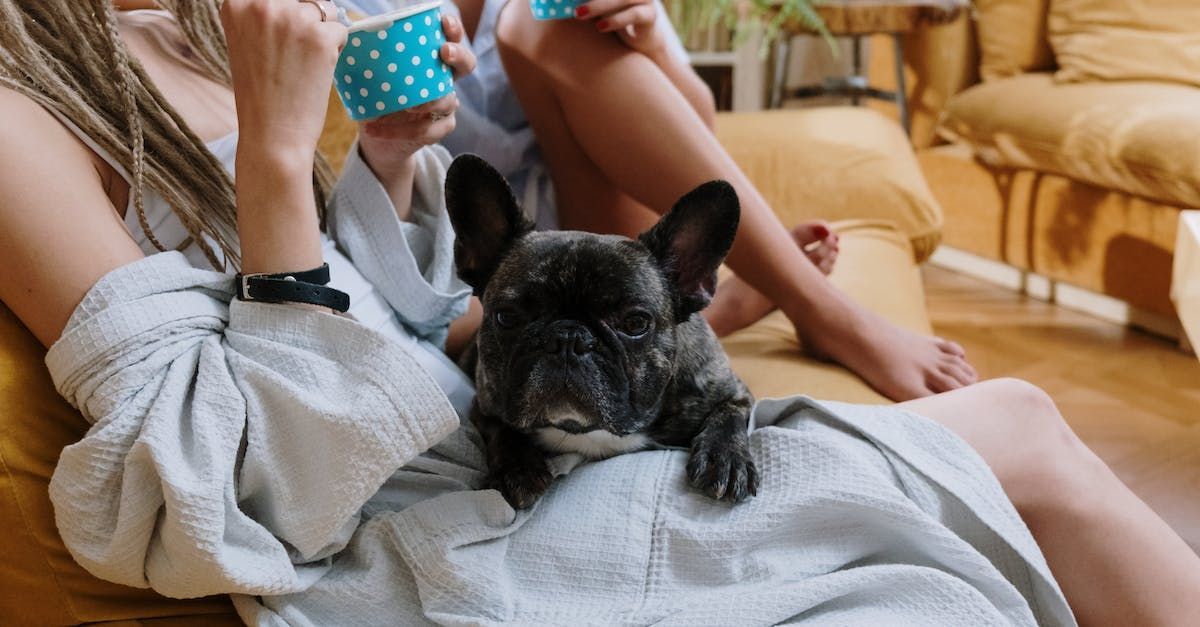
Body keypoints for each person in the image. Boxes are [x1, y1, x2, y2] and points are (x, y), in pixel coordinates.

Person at [0, 1, 1196, 625]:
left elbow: (376, 326)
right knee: (1023, 435)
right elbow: (221, 490)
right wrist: (272, 160)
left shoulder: (193, 25)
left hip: (463, 453)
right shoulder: (23, 107)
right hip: (402, 547)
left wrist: (379, 169)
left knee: (1018, 433)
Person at [435, 0, 976, 401]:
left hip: (615, 250)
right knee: (473, 306)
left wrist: (651, 42)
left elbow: (699, 130)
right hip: (479, 267)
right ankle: (707, 314)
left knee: (542, 20)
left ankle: (819, 310)